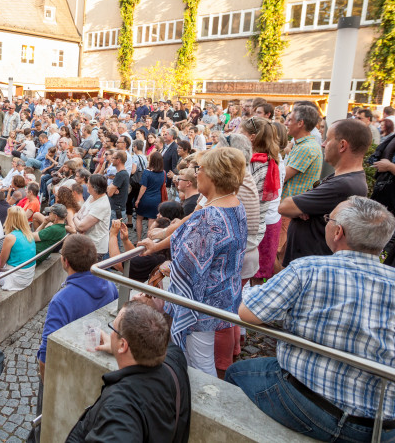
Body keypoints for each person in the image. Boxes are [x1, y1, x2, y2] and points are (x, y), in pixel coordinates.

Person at [226, 196, 395, 442]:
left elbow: (248, 313)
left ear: (338, 232)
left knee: (237, 372)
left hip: (310, 406)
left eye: (328, 219)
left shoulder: (308, 269)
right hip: (383, 425)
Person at [142, 148, 247, 376]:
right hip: (221, 295)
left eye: (200, 169)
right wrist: (160, 245)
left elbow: (189, 271)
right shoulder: (233, 203)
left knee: (199, 363)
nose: (196, 174)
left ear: (214, 174)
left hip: (201, 307)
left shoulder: (208, 218)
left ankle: (201, 406)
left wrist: (169, 267)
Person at [30, 234, 118, 443]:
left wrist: (46, 381)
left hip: (63, 372)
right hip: (94, 374)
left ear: (65, 261)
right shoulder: (110, 284)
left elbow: (46, 355)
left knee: (43, 425)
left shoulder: (62, 300)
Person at [66, 302, 191, 443]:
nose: (111, 333)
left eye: (113, 329)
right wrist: (116, 347)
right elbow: (162, 342)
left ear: (123, 345)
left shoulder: (120, 409)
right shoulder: (176, 362)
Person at [279, 119, 369, 266]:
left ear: (342, 145)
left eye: (328, 139)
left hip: (312, 265)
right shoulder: (344, 178)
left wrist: (299, 206)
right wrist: (301, 207)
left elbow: (285, 207)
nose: (323, 144)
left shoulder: (343, 184)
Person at [276, 104, 323, 272]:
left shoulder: (306, 147)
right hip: (292, 207)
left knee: (279, 252)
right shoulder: (301, 144)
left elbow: (282, 177)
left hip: (292, 209)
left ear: (300, 123)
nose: (286, 123)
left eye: (290, 119)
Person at [72, 174, 111, 260]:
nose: (86, 185)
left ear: (94, 188)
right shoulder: (92, 196)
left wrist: (74, 218)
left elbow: (81, 226)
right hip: (85, 243)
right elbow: (80, 213)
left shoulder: (101, 205)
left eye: (88, 184)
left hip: (95, 248)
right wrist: (78, 220)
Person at [0, 205, 37, 291]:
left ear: (10, 219)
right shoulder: (29, 233)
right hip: (28, 276)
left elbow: (0, 264)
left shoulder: (10, 237)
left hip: (16, 278)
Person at [135, 151, 165, 239]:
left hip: (145, 198)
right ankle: (149, 239)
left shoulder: (147, 172)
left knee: (139, 219)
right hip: (156, 199)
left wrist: (138, 199)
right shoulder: (163, 173)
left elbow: (143, 188)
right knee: (151, 221)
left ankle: (139, 239)